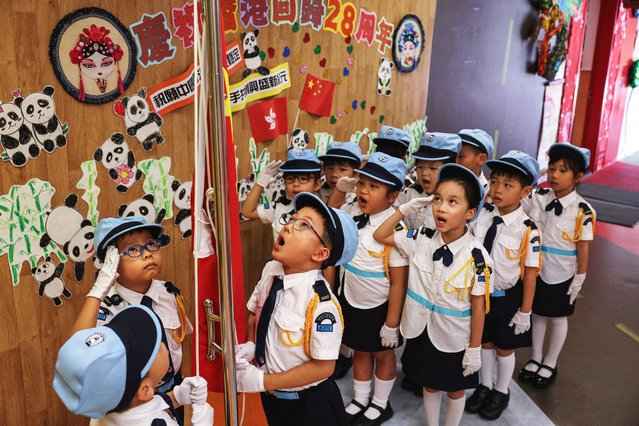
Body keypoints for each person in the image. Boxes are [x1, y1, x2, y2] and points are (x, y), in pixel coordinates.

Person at [373, 164, 492, 426]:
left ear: (470, 213)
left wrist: (474, 349)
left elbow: (478, 307)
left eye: (452, 202)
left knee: (455, 388)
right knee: (429, 384)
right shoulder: (422, 238)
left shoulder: (478, 258)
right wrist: (405, 209)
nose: (440, 207)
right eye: (437, 199)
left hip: (453, 335)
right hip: (420, 329)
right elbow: (380, 234)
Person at [234, 192, 358, 426]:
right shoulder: (272, 270)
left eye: (304, 225)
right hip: (273, 399)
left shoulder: (320, 304)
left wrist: (263, 382)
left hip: (310, 406)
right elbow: (257, 314)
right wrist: (252, 345)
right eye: (292, 219)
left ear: (320, 254)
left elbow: (323, 367)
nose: (289, 226)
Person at [72, 216, 192, 404]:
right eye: (133, 249)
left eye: (151, 244)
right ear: (112, 262)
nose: (147, 254)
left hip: (173, 392)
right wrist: (98, 290)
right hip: (131, 401)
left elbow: (181, 341)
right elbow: (79, 350)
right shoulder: (107, 307)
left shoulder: (169, 293)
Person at [331, 152, 409, 425]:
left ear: (392, 197)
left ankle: (380, 403)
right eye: (362, 183)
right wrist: (341, 191)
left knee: (382, 354)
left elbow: (399, 282)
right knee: (360, 350)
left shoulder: (395, 229)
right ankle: (361, 397)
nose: (363, 190)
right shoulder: (353, 212)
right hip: (352, 298)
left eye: (374, 186)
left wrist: (391, 323)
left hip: (380, 306)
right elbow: (331, 214)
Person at [465, 151, 542, 420]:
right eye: (495, 182)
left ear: (525, 192)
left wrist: (525, 311)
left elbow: (530, 274)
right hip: (480, 295)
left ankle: (501, 390)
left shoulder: (527, 229)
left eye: (508, 185)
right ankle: (484, 386)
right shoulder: (484, 216)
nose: (497, 190)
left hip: (507, 297)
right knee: (484, 342)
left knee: (503, 347)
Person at [54, 304, 213, 425]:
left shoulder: (107, 409)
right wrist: (203, 420)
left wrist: (178, 395)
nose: (164, 345)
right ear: (145, 389)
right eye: (156, 347)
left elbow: (143, 407)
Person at [518, 142, 595, 388]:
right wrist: (536, 174)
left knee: (559, 318)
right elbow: (521, 196)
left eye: (563, 170)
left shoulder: (583, 210)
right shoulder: (539, 197)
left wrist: (580, 277)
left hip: (562, 272)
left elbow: (583, 247)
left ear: (579, 177)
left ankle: (550, 362)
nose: (554, 175)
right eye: (551, 169)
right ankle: (536, 357)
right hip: (538, 268)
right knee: (538, 315)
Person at [241, 149, 323, 241]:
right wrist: (261, 182)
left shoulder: (323, 212)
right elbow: (247, 212)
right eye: (290, 178)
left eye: (303, 179)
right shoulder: (279, 206)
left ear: (317, 185)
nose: (295, 184)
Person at [396, 132, 461, 229]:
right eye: (420, 166)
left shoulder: (455, 205)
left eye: (433, 168)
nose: (424, 173)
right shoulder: (411, 193)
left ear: (449, 170)